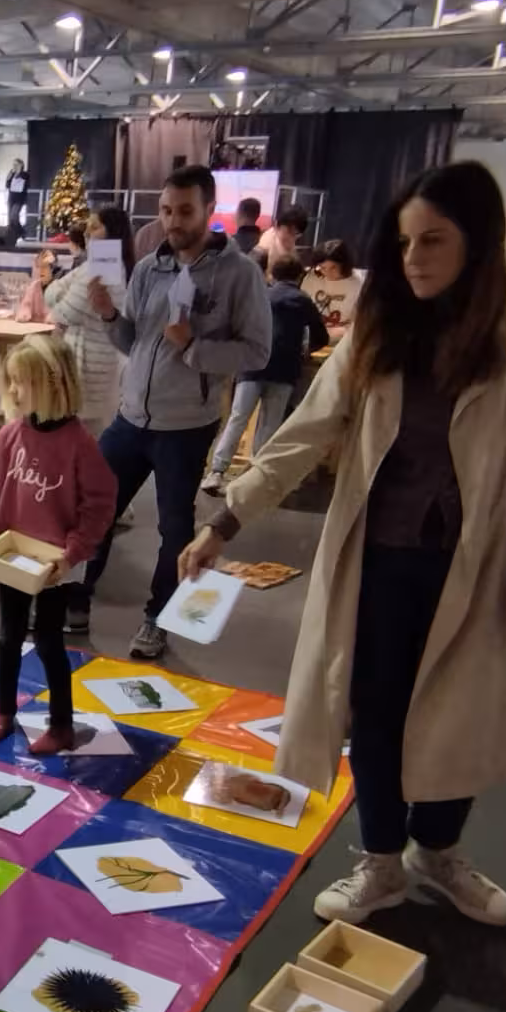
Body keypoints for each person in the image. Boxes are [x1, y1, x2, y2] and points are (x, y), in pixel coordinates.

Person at [182, 161, 506, 929]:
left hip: (478, 564)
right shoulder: (380, 323)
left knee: (458, 713)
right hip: (379, 561)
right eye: (403, 241)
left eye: (434, 239)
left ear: (478, 242)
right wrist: (224, 522)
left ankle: (439, 852)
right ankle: (382, 862)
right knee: (378, 713)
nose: (415, 257)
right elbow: (304, 435)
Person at [72, 164, 271, 651]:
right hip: (130, 418)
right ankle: (74, 599)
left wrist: (192, 348)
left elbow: (256, 352)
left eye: (184, 211)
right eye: (165, 210)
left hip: (186, 426)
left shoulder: (239, 274)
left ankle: (158, 619)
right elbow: (133, 340)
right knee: (93, 509)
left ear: (208, 210)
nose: (172, 221)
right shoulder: (148, 267)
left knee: (175, 528)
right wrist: (109, 316)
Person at [0, 334, 115, 754]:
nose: (12, 391)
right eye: (10, 382)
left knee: (50, 641)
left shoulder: (80, 444)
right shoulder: (9, 436)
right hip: (13, 558)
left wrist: (71, 553)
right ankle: (5, 712)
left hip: (56, 566)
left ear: (52, 385)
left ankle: (62, 724)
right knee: (8, 637)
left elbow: (99, 506)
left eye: (21, 382)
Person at [203, 256, 328, 494]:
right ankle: (253, 479)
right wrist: (303, 351)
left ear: (271, 275)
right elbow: (320, 336)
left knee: (238, 418)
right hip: (285, 370)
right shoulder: (303, 300)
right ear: (299, 276)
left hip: (252, 365)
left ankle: (216, 472)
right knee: (269, 424)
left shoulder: (260, 296)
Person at [46, 207, 131, 431]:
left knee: (85, 438)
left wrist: (60, 297)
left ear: (112, 232)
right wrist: (60, 295)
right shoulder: (94, 265)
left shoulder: (105, 264)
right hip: (87, 362)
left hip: (89, 367)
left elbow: (64, 312)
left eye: (95, 227)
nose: (87, 232)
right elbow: (50, 293)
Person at [302, 238, 362, 338]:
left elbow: (359, 323)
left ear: (344, 265)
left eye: (333, 267)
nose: (327, 273)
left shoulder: (358, 284)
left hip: (343, 340)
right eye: (323, 267)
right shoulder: (312, 277)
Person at [255, 204, 308, 270]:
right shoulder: (265, 247)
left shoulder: (285, 240)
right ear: (277, 225)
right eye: (289, 231)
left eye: (296, 234)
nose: (292, 238)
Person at [16, 249, 55, 323]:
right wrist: (24, 313)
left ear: (52, 268)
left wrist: (55, 316)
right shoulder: (33, 287)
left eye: (44, 267)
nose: (41, 270)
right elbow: (26, 305)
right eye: (38, 267)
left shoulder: (60, 287)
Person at [5, 158, 30, 244]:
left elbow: (26, 182)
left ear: (21, 165)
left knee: (14, 215)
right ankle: (14, 236)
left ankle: (22, 232)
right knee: (11, 219)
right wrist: (9, 177)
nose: (14, 166)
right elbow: (7, 185)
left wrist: (19, 171)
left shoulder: (25, 174)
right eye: (13, 164)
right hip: (11, 198)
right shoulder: (11, 173)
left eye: (16, 164)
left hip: (19, 199)